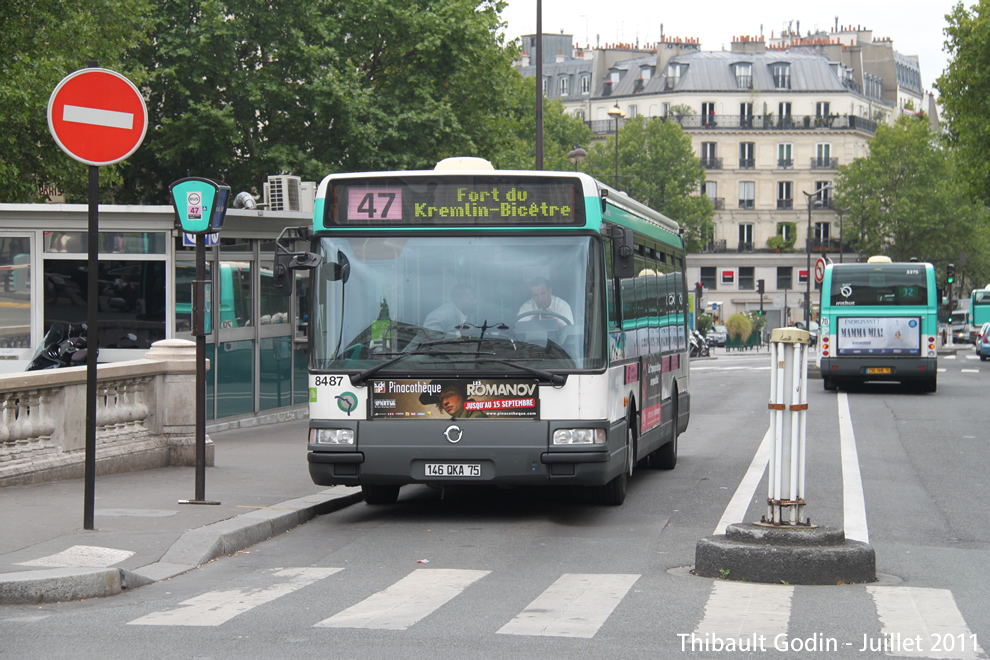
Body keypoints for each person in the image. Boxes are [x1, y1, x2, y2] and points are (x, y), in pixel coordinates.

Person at [419, 381, 487, 418]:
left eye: (450, 395)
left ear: (463, 394)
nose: (445, 402)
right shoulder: (459, 419)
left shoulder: (477, 418)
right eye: (441, 399)